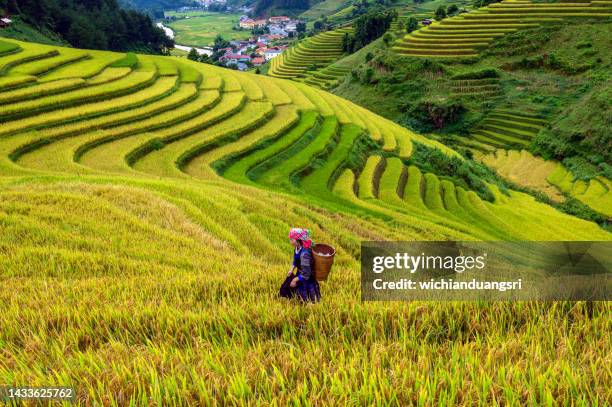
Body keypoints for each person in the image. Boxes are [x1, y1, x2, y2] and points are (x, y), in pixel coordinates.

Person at [279, 228, 321, 303]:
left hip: (306, 277)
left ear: (298, 240)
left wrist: (295, 280)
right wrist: (291, 269)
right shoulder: (296, 248)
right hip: (300, 273)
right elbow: (295, 260)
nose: (290, 242)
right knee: (290, 288)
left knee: (306, 300)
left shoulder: (304, 254)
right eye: (290, 239)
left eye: (292, 240)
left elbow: (306, 274)